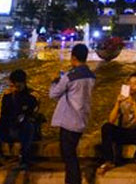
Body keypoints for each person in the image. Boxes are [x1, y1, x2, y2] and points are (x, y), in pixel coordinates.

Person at [49, 43, 96, 184]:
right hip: (82, 118)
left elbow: (53, 94)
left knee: (68, 156)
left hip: (69, 121)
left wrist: (54, 80)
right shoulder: (91, 76)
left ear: (73, 57)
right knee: (71, 154)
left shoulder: (70, 76)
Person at [0, 69, 39, 169]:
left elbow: (26, 116)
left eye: (17, 86)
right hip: (7, 128)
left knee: (28, 126)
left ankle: (24, 159)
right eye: (12, 86)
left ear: (23, 84)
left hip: (20, 129)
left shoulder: (31, 98)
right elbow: (2, 116)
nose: (14, 89)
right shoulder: (7, 97)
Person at [99, 72, 136, 174]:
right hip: (123, 131)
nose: (131, 86)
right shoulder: (122, 98)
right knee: (106, 127)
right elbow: (111, 120)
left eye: (135, 84)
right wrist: (117, 103)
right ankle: (109, 160)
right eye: (130, 83)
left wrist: (134, 104)